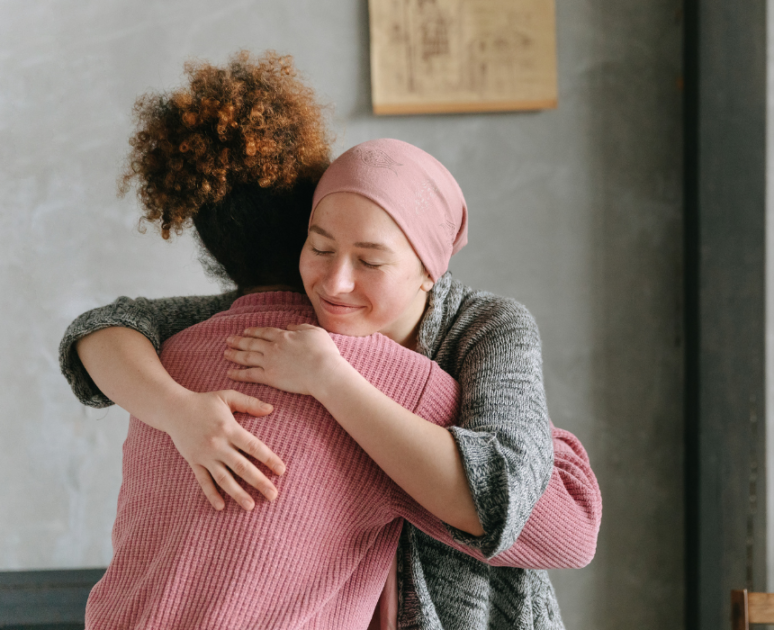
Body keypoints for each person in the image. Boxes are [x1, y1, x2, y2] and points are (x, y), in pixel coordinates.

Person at [60, 51, 600, 629]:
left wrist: (331, 378)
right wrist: (182, 412)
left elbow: (525, 506)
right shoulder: (276, 326)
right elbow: (103, 327)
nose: (336, 282)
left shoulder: (484, 328)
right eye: (319, 248)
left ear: (429, 269)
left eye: (370, 260)